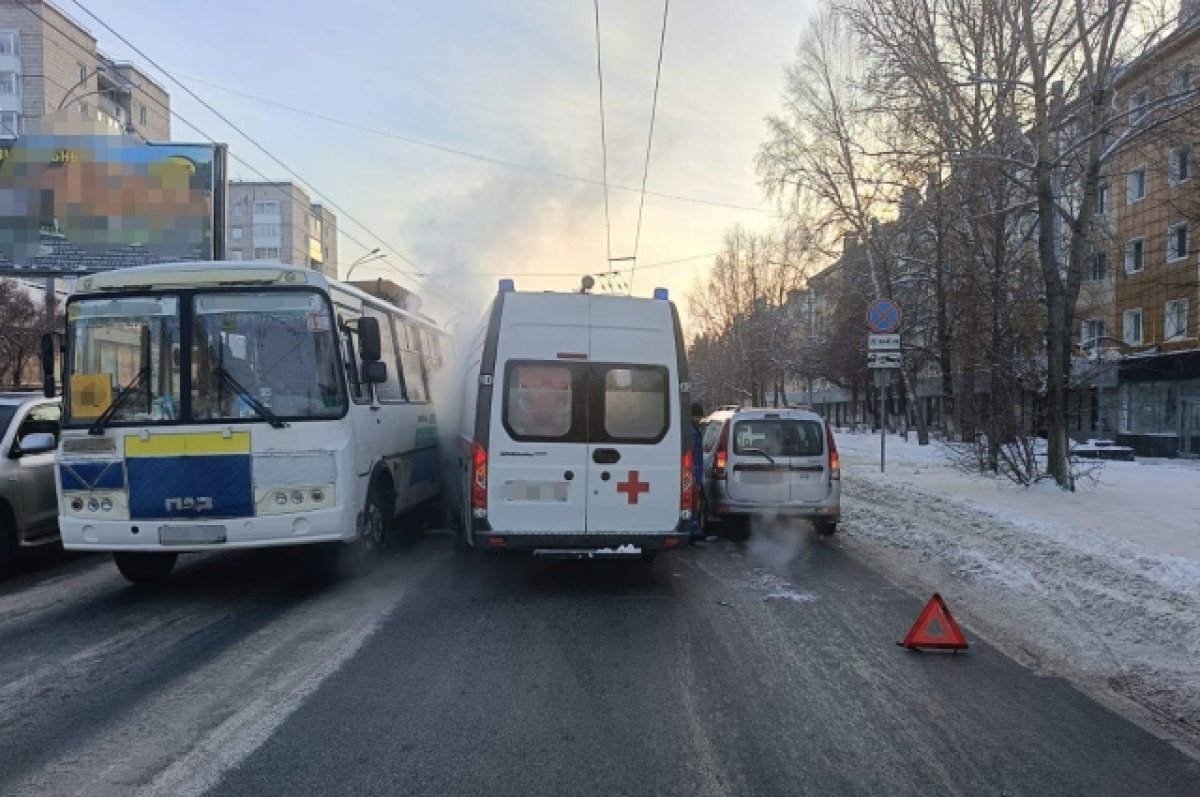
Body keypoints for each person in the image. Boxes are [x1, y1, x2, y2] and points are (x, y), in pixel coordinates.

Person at [690, 402, 706, 544]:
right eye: (697, 416)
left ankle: (694, 529)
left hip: (696, 471)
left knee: (695, 501)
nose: (699, 419)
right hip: (693, 472)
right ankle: (693, 530)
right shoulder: (692, 431)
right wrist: (694, 475)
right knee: (693, 501)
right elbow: (691, 454)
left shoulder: (695, 430)